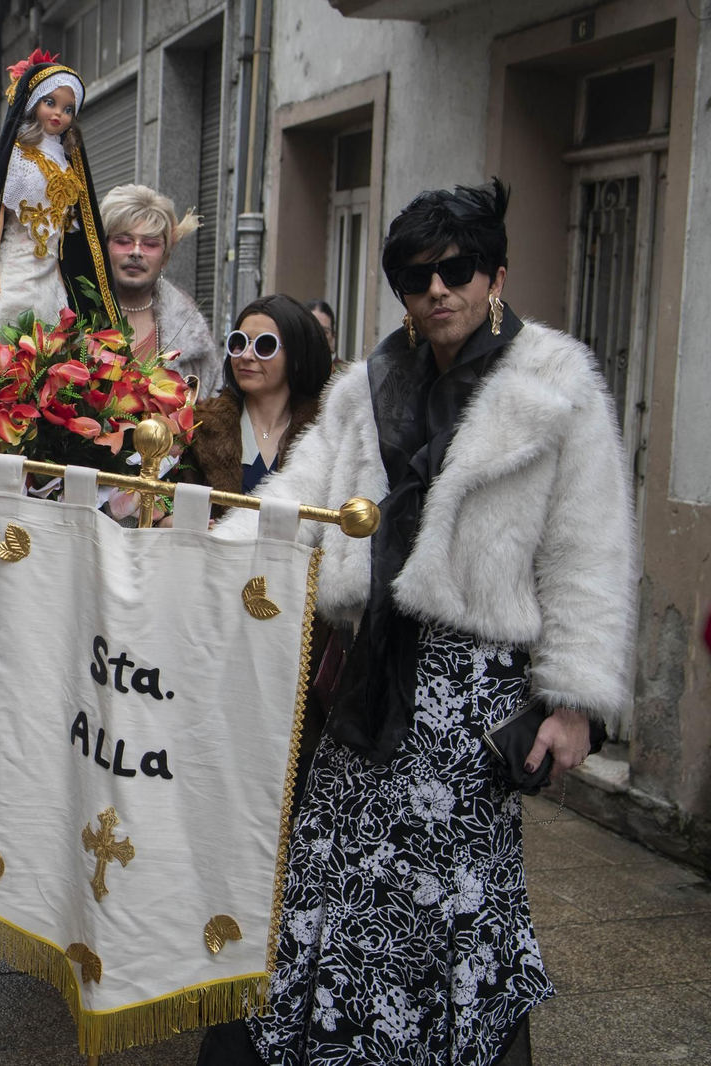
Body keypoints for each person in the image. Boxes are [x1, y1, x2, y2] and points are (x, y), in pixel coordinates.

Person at [200, 179, 634, 1066]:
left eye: (457, 268)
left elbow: (590, 552)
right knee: (333, 877)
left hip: (472, 698)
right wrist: (188, 556)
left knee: (451, 899)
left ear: (495, 274)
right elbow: (296, 500)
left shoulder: (557, 387)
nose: (437, 289)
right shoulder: (369, 385)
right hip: (368, 677)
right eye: (414, 274)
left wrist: (574, 701)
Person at [0, 48, 121, 356]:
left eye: (67, 109)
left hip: (50, 269)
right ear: (33, 102)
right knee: (3, 332)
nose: (58, 114)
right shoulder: (18, 153)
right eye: (50, 103)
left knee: (50, 343)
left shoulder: (67, 160)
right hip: (14, 264)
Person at [175, 294, 331, 515]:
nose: (246, 355)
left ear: (297, 358)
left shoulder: (326, 434)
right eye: (238, 343)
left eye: (265, 346)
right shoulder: (198, 426)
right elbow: (171, 505)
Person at [99, 184, 222, 397]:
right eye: (123, 241)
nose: (136, 252)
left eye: (150, 244)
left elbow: (213, 413)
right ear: (103, 247)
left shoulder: (193, 338)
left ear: (165, 258)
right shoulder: (73, 316)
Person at [305, 298, 338, 362]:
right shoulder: (288, 368)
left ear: (333, 336)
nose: (318, 336)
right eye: (312, 329)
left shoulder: (343, 371)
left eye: (324, 332)